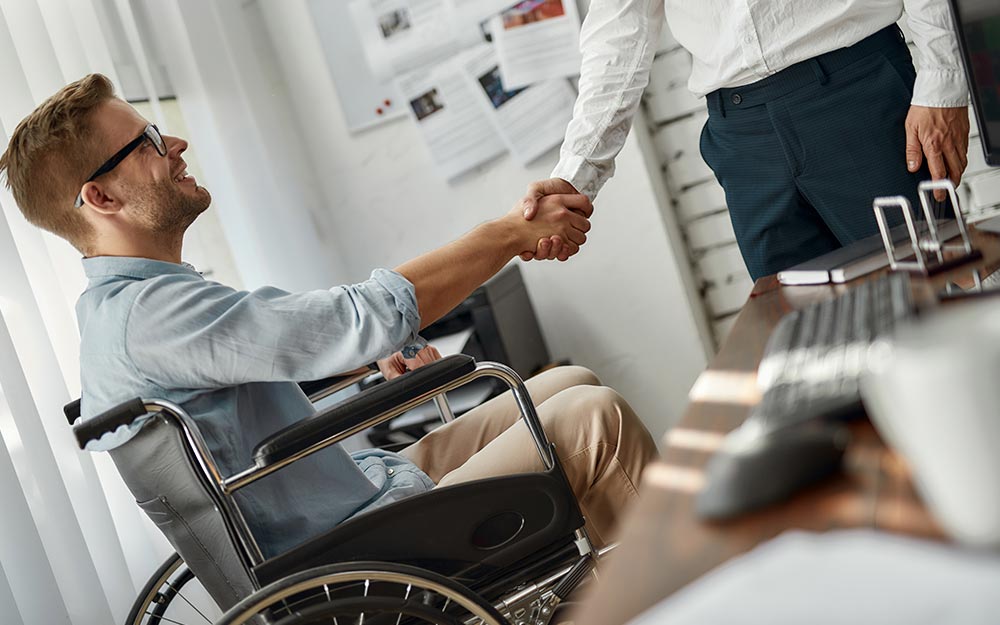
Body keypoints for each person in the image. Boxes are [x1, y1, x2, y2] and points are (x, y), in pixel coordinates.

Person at [0, 74, 657, 556]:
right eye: (146, 141)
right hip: (355, 546)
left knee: (567, 385)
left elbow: (244, 396)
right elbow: (356, 316)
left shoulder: (130, 308)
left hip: (356, 493)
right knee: (592, 421)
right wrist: (511, 233)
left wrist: (362, 353)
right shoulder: (152, 314)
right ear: (101, 195)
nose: (175, 140)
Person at [519, 1, 972, 280]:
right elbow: (620, 28)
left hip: (860, 98)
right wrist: (575, 178)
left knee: (935, 297)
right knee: (807, 343)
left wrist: (943, 81)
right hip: (742, 136)